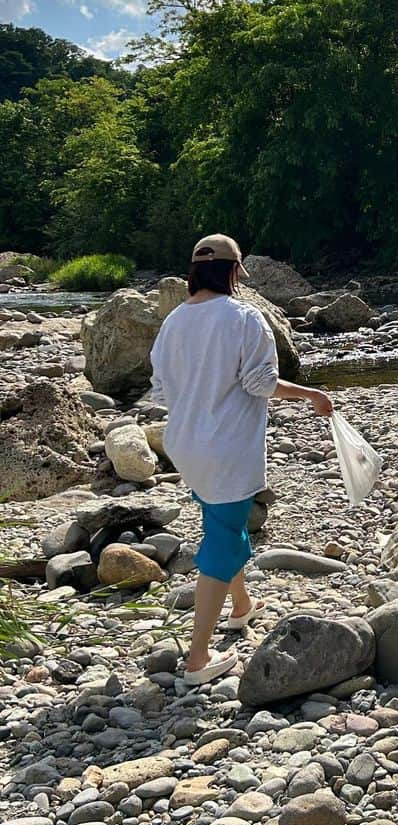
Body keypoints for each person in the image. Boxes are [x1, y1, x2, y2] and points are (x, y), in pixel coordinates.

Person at [150, 234, 333, 685]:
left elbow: (160, 388)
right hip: (226, 449)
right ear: (234, 272)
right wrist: (309, 393)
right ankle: (197, 659)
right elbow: (260, 383)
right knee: (223, 540)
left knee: (219, 523)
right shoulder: (244, 317)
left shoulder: (173, 321)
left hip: (184, 444)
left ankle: (241, 605)